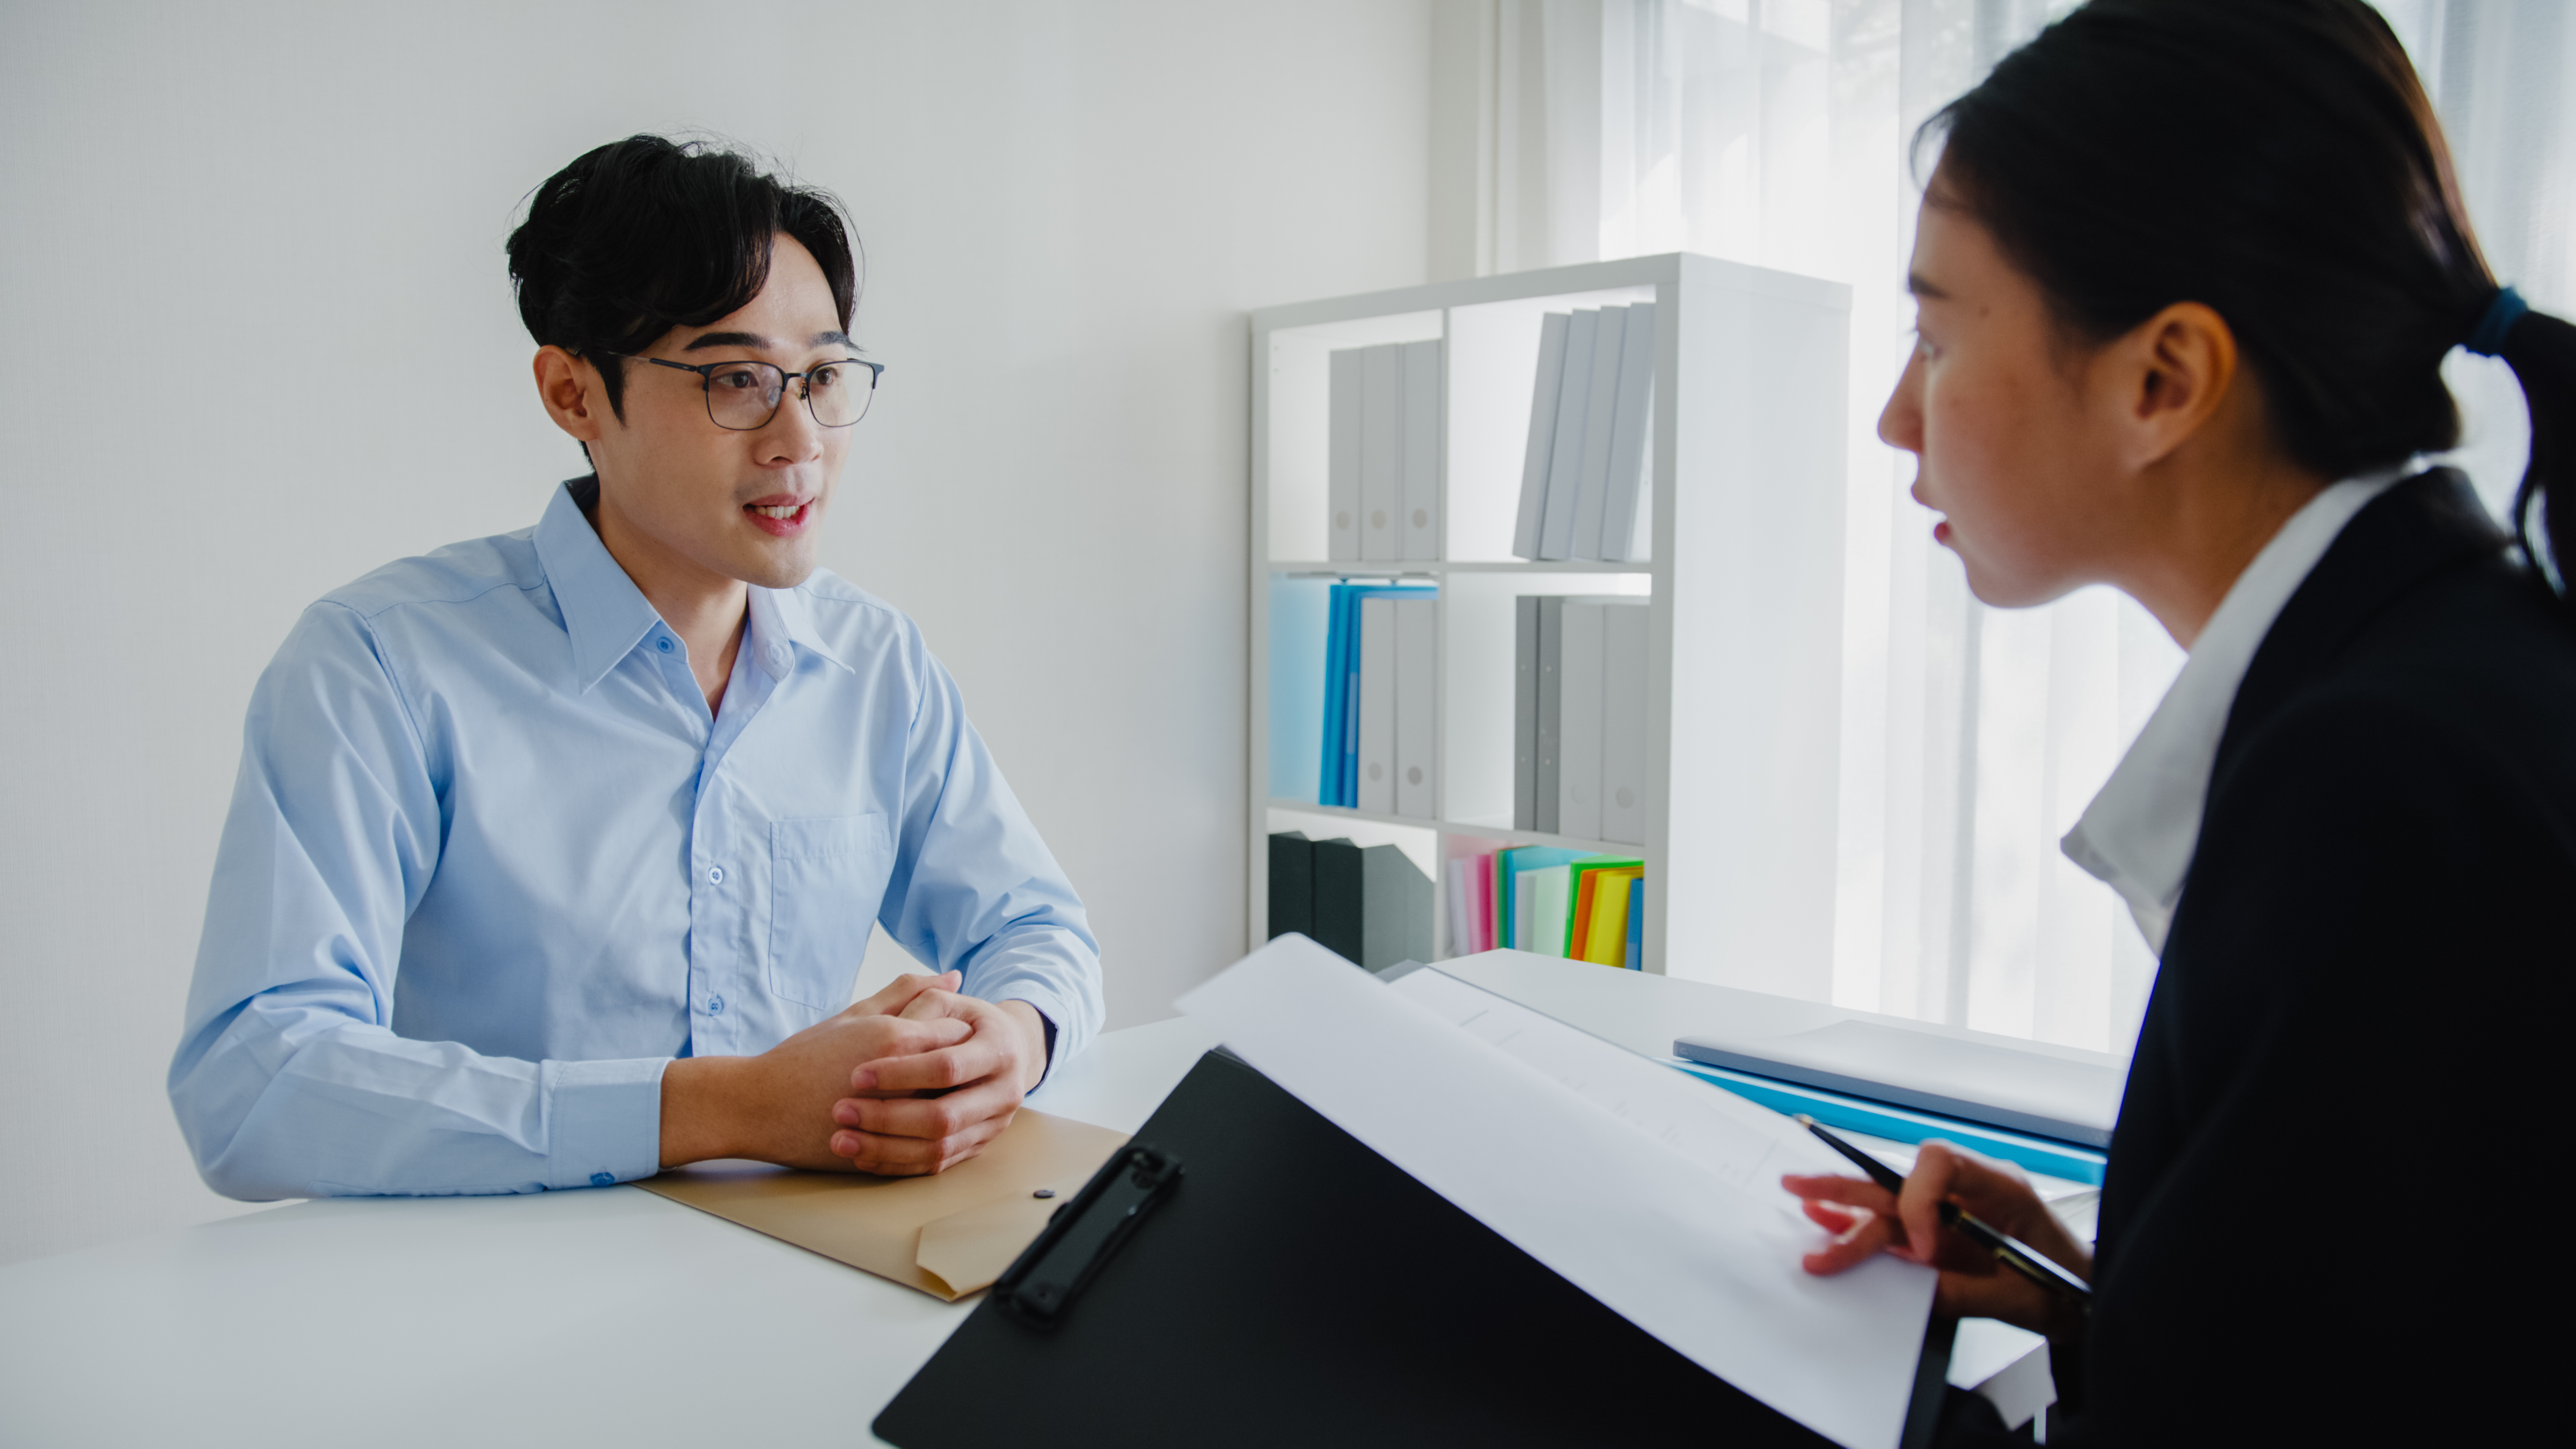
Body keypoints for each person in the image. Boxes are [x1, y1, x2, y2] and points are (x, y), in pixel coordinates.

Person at [1780, 2, 2571, 1442]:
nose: (1899, 419)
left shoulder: (2383, 783)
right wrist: (2118, 1295)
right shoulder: (2448, 670)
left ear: (2165, 382)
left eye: (1937, 335)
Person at [170, 136, 1103, 1199]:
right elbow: (255, 1085)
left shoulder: (875, 661)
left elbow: (1036, 929)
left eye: (824, 377)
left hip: (809, 1284)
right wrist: (729, 1108)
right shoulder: (380, 665)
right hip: (485, 1315)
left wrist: (1010, 1044)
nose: (799, 438)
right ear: (573, 395)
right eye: (735, 379)